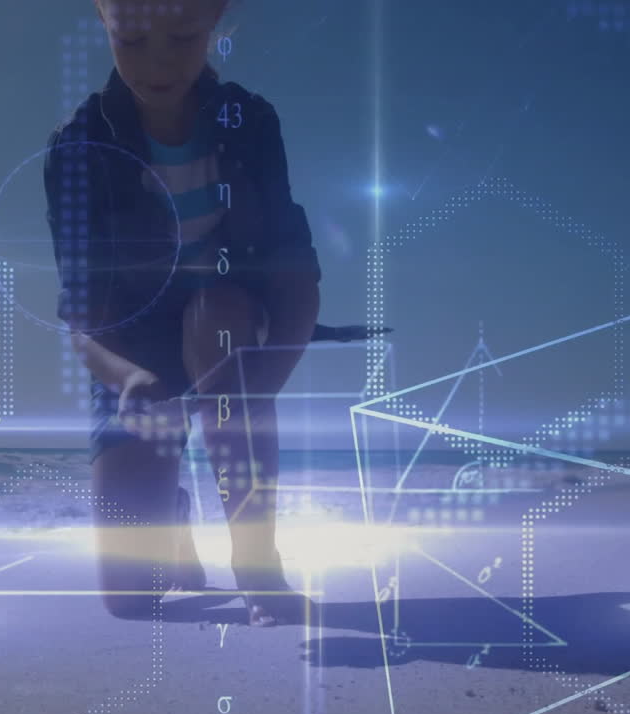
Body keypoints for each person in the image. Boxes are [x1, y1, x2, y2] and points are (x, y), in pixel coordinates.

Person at [44, 0, 390, 626]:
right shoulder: (76, 149)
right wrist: (129, 382)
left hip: (227, 328)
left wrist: (258, 391)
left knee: (218, 313)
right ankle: (172, 518)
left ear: (216, 22)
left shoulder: (249, 123)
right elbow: (82, 317)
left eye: (181, 36)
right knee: (130, 601)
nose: (158, 61)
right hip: (133, 353)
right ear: (103, 21)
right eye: (132, 38)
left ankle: (257, 564)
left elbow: (295, 276)